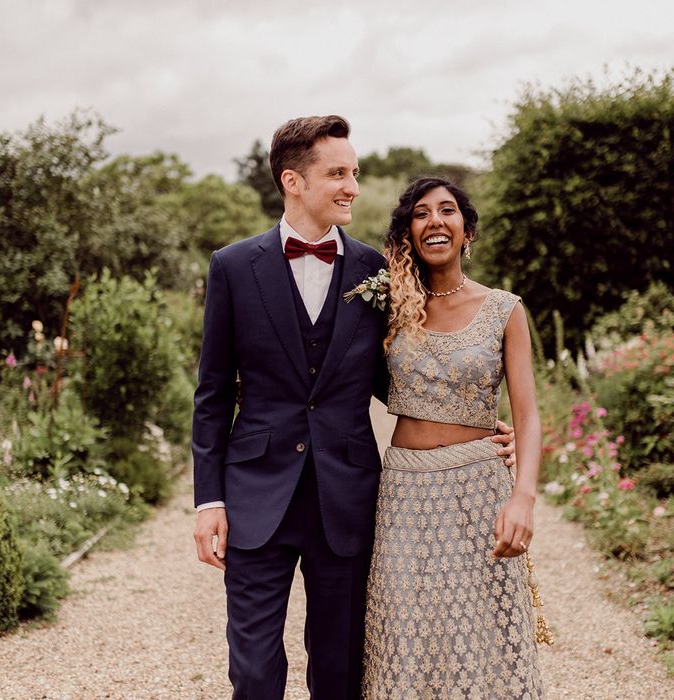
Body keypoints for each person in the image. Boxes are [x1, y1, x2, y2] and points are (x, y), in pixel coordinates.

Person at [192, 118, 515, 699]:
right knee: (256, 669)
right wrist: (208, 500)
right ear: (293, 180)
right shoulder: (233, 267)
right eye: (337, 173)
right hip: (254, 492)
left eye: (355, 173)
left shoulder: (378, 272)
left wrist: (468, 425)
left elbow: (396, 377)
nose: (353, 187)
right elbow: (212, 392)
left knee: (340, 666)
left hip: (348, 494)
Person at [362, 177, 545, 698]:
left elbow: (528, 416)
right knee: (403, 633)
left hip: (479, 489)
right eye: (421, 214)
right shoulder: (389, 307)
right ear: (408, 232)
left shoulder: (505, 309)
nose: (435, 221)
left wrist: (523, 499)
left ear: (466, 230)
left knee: (485, 635)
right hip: (404, 493)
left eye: (447, 211)